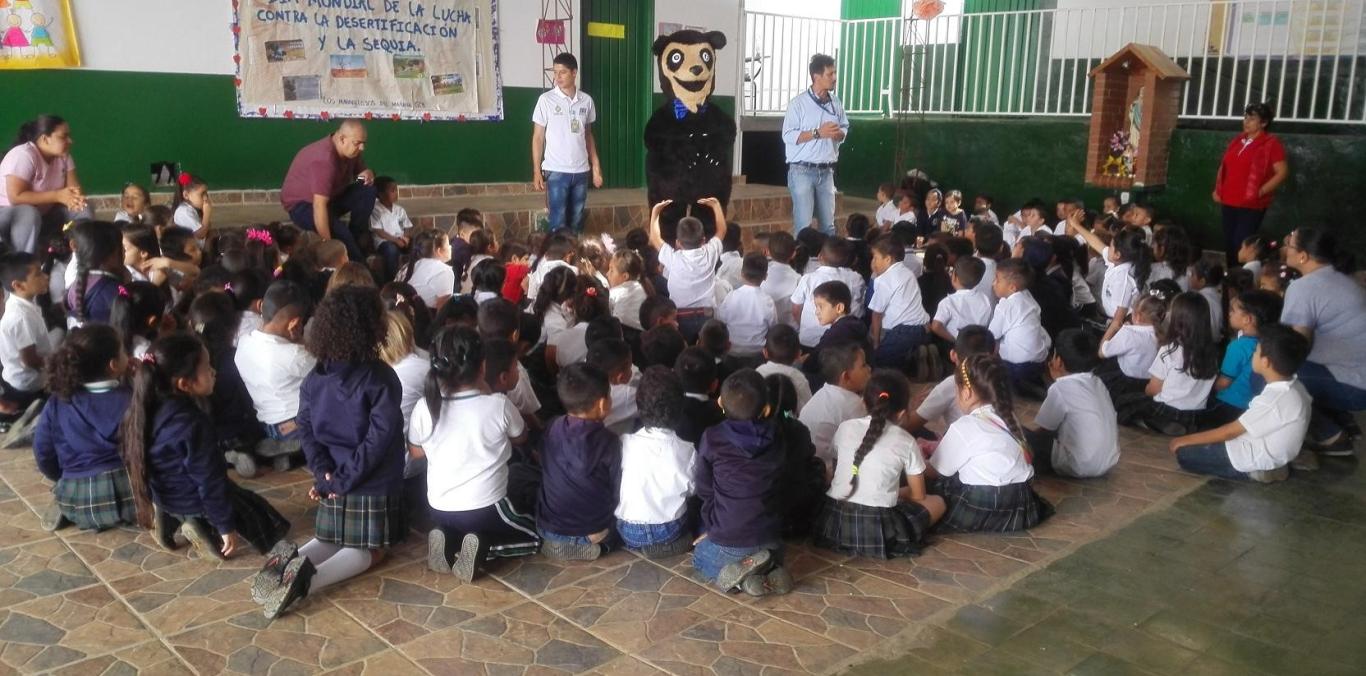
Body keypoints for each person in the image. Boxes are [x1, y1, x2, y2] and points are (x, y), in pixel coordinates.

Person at [263, 286, 408, 620]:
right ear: (373, 328)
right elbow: (378, 441)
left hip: (332, 476)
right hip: (369, 481)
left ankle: (287, 562)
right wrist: (341, 481)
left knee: (330, 536)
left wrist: (323, 474)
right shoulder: (381, 378)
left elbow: (305, 428)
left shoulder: (315, 379)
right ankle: (307, 582)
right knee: (373, 550)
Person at [121, 332, 290, 560]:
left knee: (183, 483)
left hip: (163, 495)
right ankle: (203, 526)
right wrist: (225, 526)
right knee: (258, 512)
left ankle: (170, 517)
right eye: (208, 368)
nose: (214, 372)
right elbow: (209, 480)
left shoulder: (141, 410)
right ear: (184, 384)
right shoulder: (193, 424)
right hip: (194, 499)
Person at [411, 327, 537, 583]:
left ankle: (450, 538)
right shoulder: (498, 405)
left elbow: (416, 452)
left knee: (464, 526)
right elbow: (521, 437)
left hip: (440, 509)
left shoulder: (425, 407)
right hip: (487, 509)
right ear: (482, 367)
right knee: (535, 537)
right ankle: (483, 544)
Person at [813, 370, 946, 559]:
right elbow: (919, 495)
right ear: (902, 413)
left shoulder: (845, 427)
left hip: (835, 521)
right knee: (938, 502)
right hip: (878, 526)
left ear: (863, 402)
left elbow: (836, 473)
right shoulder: (906, 440)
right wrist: (898, 493)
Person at [693, 370, 793, 597]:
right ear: (766, 409)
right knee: (767, 551)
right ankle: (769, 571)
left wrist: (712, 525)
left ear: (720, 402)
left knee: (700, 557)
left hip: (729, 538)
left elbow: (704, 487)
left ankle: (744, 580)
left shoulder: (712, 437)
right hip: (770, 538)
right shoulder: (777, 435)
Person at [1170, 325, 1311, 483]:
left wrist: (1184, 440)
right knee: (1207, 437)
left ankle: (1256, 472)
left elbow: (1230, 432)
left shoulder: (1275, 398)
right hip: (1269, 450)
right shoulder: (1295, 387)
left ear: (1265, 362)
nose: (1253, 355)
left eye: (1256, 352)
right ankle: (1266, 467)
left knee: (1184, 454)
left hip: (1257, 456)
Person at [927, 355, 1052, 532]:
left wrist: (914, 462)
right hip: (1021, 503)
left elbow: (935, 471)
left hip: (986, 506)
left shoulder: (964, 425)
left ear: (966, 392)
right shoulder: (1008, 416)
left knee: (936, 489)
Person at [32, 325, 135, 532]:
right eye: (124, 351)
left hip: (76, 499)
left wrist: (62, 477)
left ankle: (63, 501)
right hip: (134, 498)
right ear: (114, 365)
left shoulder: (57, 402)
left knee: (66, 490)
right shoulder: (133, 398)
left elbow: (42, 451)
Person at [1279, 227, 1366, 455]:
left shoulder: (1304, 287)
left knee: (1266, 374)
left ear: (1303, 256)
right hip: (1355, 378)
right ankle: (1343, 421)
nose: (1284, 249)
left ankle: (1331, 437)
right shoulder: (1340, 278)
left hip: (1355, 386)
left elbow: (1294, 347)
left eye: (1289, 245)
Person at [536, 363, 622, 560]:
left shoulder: (552, 427)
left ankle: (560, 545)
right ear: (602, 404)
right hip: (593, 531)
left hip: (548, 529)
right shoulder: (608, 441)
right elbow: (616, 489)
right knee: (622, 528)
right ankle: (599, 547)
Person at [614, 366, 696, 558]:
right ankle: (676, 544)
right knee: (693, 510)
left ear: (638, 405)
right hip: (669, 529)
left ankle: (641, 546)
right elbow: (693, 490)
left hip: (627, 530)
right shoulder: (687, 449)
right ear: (680, 408)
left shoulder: (625, 442)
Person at [1024, 329, 1119, 478]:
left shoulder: (1060, 388)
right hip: (1107, 463)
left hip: (1077, 466)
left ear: (1059, 362)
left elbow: (1045, 430)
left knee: (1019, 434)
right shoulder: (1098, 382)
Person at [1126, 292, 1220, 436]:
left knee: (1127, 403)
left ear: (1177, 320)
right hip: (1196, 414)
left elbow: (1153, 389)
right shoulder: (1212, 353)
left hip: (1167, 410)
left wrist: (1144, 391)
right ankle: (1182, 426)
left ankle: (1158, 424)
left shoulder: (1170, 350)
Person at [280, 120, 375, 262]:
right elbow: (319, 206)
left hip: (331, 197)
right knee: (341, 233)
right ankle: (358, 267)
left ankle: (357, 234)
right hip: (304, 206)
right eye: (358, 143)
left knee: (368, 189)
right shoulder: (324, 160)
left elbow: (359, 174)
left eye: (363, 143)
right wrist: (329, 245)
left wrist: (367, 173)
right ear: (342, 139)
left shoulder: (350, 151)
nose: (362, 148)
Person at [237, 281, 316, 449]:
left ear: (262, 307)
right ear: (294, 323)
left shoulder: (243, 343)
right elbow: (330, 375)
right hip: (298, 424)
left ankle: (284, 450)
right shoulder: (295, 355)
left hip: (267, 425)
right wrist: (300, 340)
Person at [0, 115, 92, 255]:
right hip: (9, 215)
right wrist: (57, 196)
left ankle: (83, 255)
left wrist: (75, 199)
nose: (70, 141)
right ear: (45, 139)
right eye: (63, 137)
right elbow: (16, 197)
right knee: (28, 213)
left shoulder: (64, 157)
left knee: (83, 208)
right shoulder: (24, 155)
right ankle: (24, 262)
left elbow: (74, 192)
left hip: (44, 214)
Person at [531, 52, 603, 233]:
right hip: (556, 171)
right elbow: (538, 137)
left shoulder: (586, 101)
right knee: (558, 222)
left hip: (581, 171)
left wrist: (595, 166)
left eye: (562, 72)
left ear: (574, 72)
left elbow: (588, 135)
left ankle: (573, 251)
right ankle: (556, 252)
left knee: (577, 220)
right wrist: (537, 170)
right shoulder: (546, 100)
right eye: (555, 72)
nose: (557, 77)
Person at [1213, 102, 1289, 265]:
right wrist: (1218, 189)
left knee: (1242, 244)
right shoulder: (1238, 140)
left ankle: (1243, 276)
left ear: (1264, 123)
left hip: (1251, 204)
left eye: (1252, 118)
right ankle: (1232, 276)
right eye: (1245, 117)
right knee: (1229, 242)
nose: (1246, 122)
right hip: (1229, 199)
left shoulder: (1271, 143)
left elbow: (1282, 172)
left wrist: (1260, 191)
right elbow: (1224, 166)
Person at [781, 54, 849, 235]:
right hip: (802, 171)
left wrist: (839, 134)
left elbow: (844, 126)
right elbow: (788, 136)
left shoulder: (836, 102)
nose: (834, 78)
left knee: (828, 226)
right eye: (830, 74)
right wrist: (818, 133)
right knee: (804, 227)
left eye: (835, 73)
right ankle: (801, 254)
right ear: (816, 76)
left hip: (827, 172)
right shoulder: (798, 104)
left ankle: (828, 253)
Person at [649, 199, 728, 342]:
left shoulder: (673, 258)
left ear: (678, 243)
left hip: (680, 317)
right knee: (706, 349)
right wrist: (716, 205)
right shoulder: (709, 253)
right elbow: (721, 231)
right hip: (707, 315)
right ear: (703, 240)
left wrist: (655, 212)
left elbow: (655, 238)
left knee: (683, 348)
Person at [1208, 290, 1282, 426]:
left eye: (1233, 311)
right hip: (1251, 405)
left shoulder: (1238, 347)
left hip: (1228, 404)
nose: (1229, 313)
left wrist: (1207, 389)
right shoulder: (1270, 342)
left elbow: (1223, 383)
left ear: (1247, 319)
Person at [798, 341, 871, 465]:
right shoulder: (854, 405)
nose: (869, 368)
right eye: (863, 366)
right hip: (826, 469)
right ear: (846, 376)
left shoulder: (825, 391)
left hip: (804, 462)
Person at [989, 259, 1051, 396]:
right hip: (1039, 361)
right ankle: (1034, 382)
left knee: (993, 351)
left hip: (1017, 366)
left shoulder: (1006, 307)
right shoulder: (1027, 296)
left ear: (1012, 287)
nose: (993, 283)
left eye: (997, 280)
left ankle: (1024, 388)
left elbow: (991, 335)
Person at [0, 252, 53, 414]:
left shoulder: (22, 304)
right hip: (28, 386)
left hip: (21, 379)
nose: (46, 277)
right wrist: (57, 366)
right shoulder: (21, 316)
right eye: (38, 274)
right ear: (18, 285)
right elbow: (30, 360)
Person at [868, 234, 930, 370]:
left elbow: (876, 315)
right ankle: (916, 355)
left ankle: (913, 361)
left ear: (888, 259)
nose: (873, 262)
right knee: (897, 353)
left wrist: (876, 343)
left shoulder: (884, 280)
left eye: (875, 258)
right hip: (923, 328)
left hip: (902, 332)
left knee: (878, 361)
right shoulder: (907, 273)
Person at [717, 254, 778, 360]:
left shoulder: (731, 296)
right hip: (757, 352)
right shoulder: (768, 301)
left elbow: (720, 320)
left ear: (742, 274)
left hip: (732, 350)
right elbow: (773, 327)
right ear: (765, 277)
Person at [396, 229, 455, 311]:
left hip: (400, 314)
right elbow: (443, 310)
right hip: (421, 316)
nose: (450, 247)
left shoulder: (410, 265)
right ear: (439, 251)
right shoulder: (443, 271)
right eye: (448, 244)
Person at [370, 176, 414, 283]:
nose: (396, 193)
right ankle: (391, 281)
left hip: (401, 240)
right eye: (393, 190)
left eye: (396, 190)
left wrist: (406, 238)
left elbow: (407, 226)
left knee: (418, 244)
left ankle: (413, 276)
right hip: (385, 242)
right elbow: (379, 231)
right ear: (381, 194)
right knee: (391, 250)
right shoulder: (375, 210)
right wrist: (396, 240)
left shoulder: (399, 209)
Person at [171, 173, 211, 239]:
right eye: (202, 194)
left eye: (206, 193)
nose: (206, 197)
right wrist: (207, 214)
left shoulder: (192, 208)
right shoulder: (184, 212)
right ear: (186, 195)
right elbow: (201, 235)